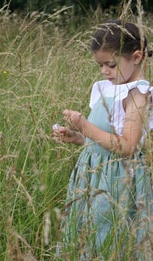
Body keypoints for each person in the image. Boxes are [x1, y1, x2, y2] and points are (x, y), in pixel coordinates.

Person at [53, 19, 153, 260]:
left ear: (136, 57)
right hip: (92, 175)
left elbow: (127, 146)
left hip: (116, 180)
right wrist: (77, 137)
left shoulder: (138, 94)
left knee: (108, 234)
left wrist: (85, 126)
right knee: (87, 231)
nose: (104, 71)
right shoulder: (105, 87)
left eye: (110, 64)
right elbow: (104, 139)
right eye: (100, 65)